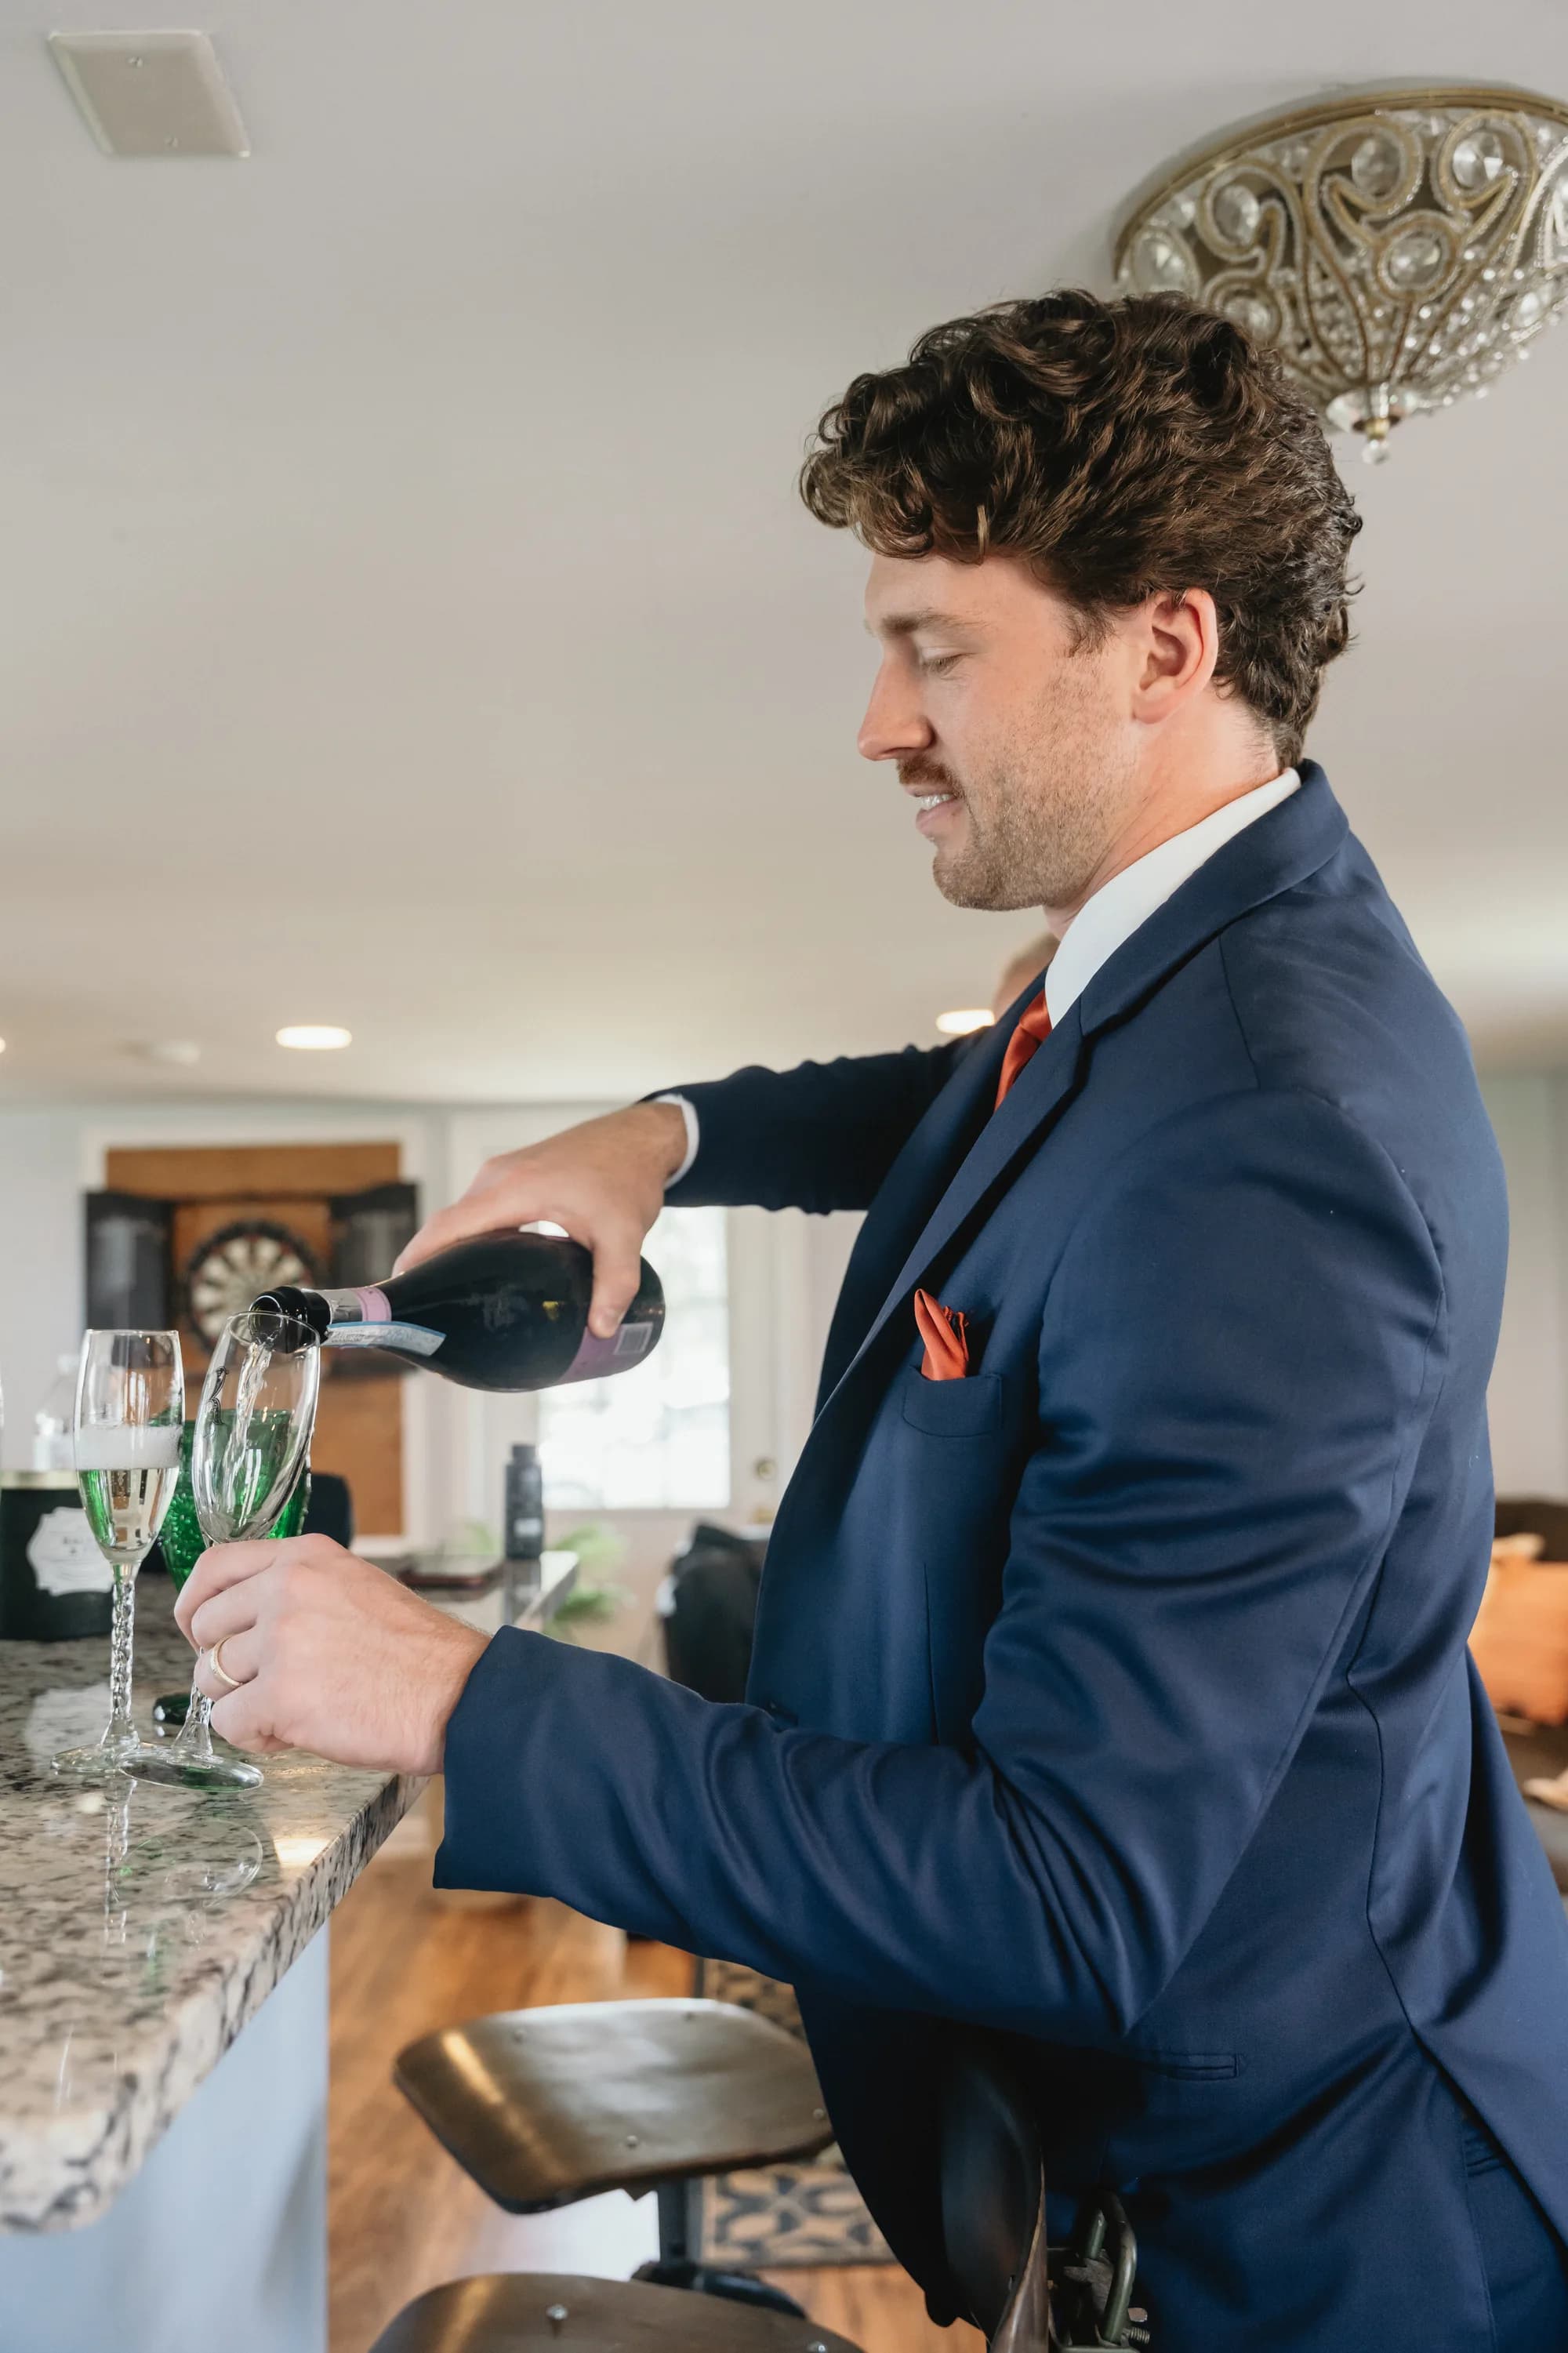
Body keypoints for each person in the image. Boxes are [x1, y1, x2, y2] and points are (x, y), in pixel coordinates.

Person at [177, 292, 1568, 2349]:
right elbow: (969, 1111)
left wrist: (465, 1700)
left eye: (937, 649)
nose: (877, 720)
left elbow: (1066, 1890)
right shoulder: (1174, 965)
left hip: (1315, 2248)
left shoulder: (1283, 1137)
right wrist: (663, 1135)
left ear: (1164, 645)